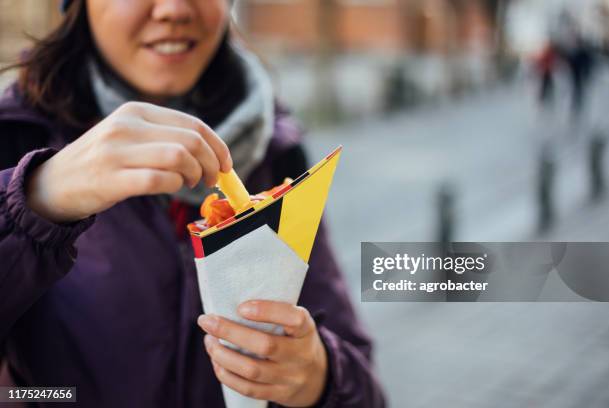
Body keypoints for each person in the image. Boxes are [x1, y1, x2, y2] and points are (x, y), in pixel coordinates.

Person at [0, 1, 386, 406]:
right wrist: (33, 202)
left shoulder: (274, 150)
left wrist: (318, 377)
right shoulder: (15, 140)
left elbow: (367, 391)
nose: (173, 9)